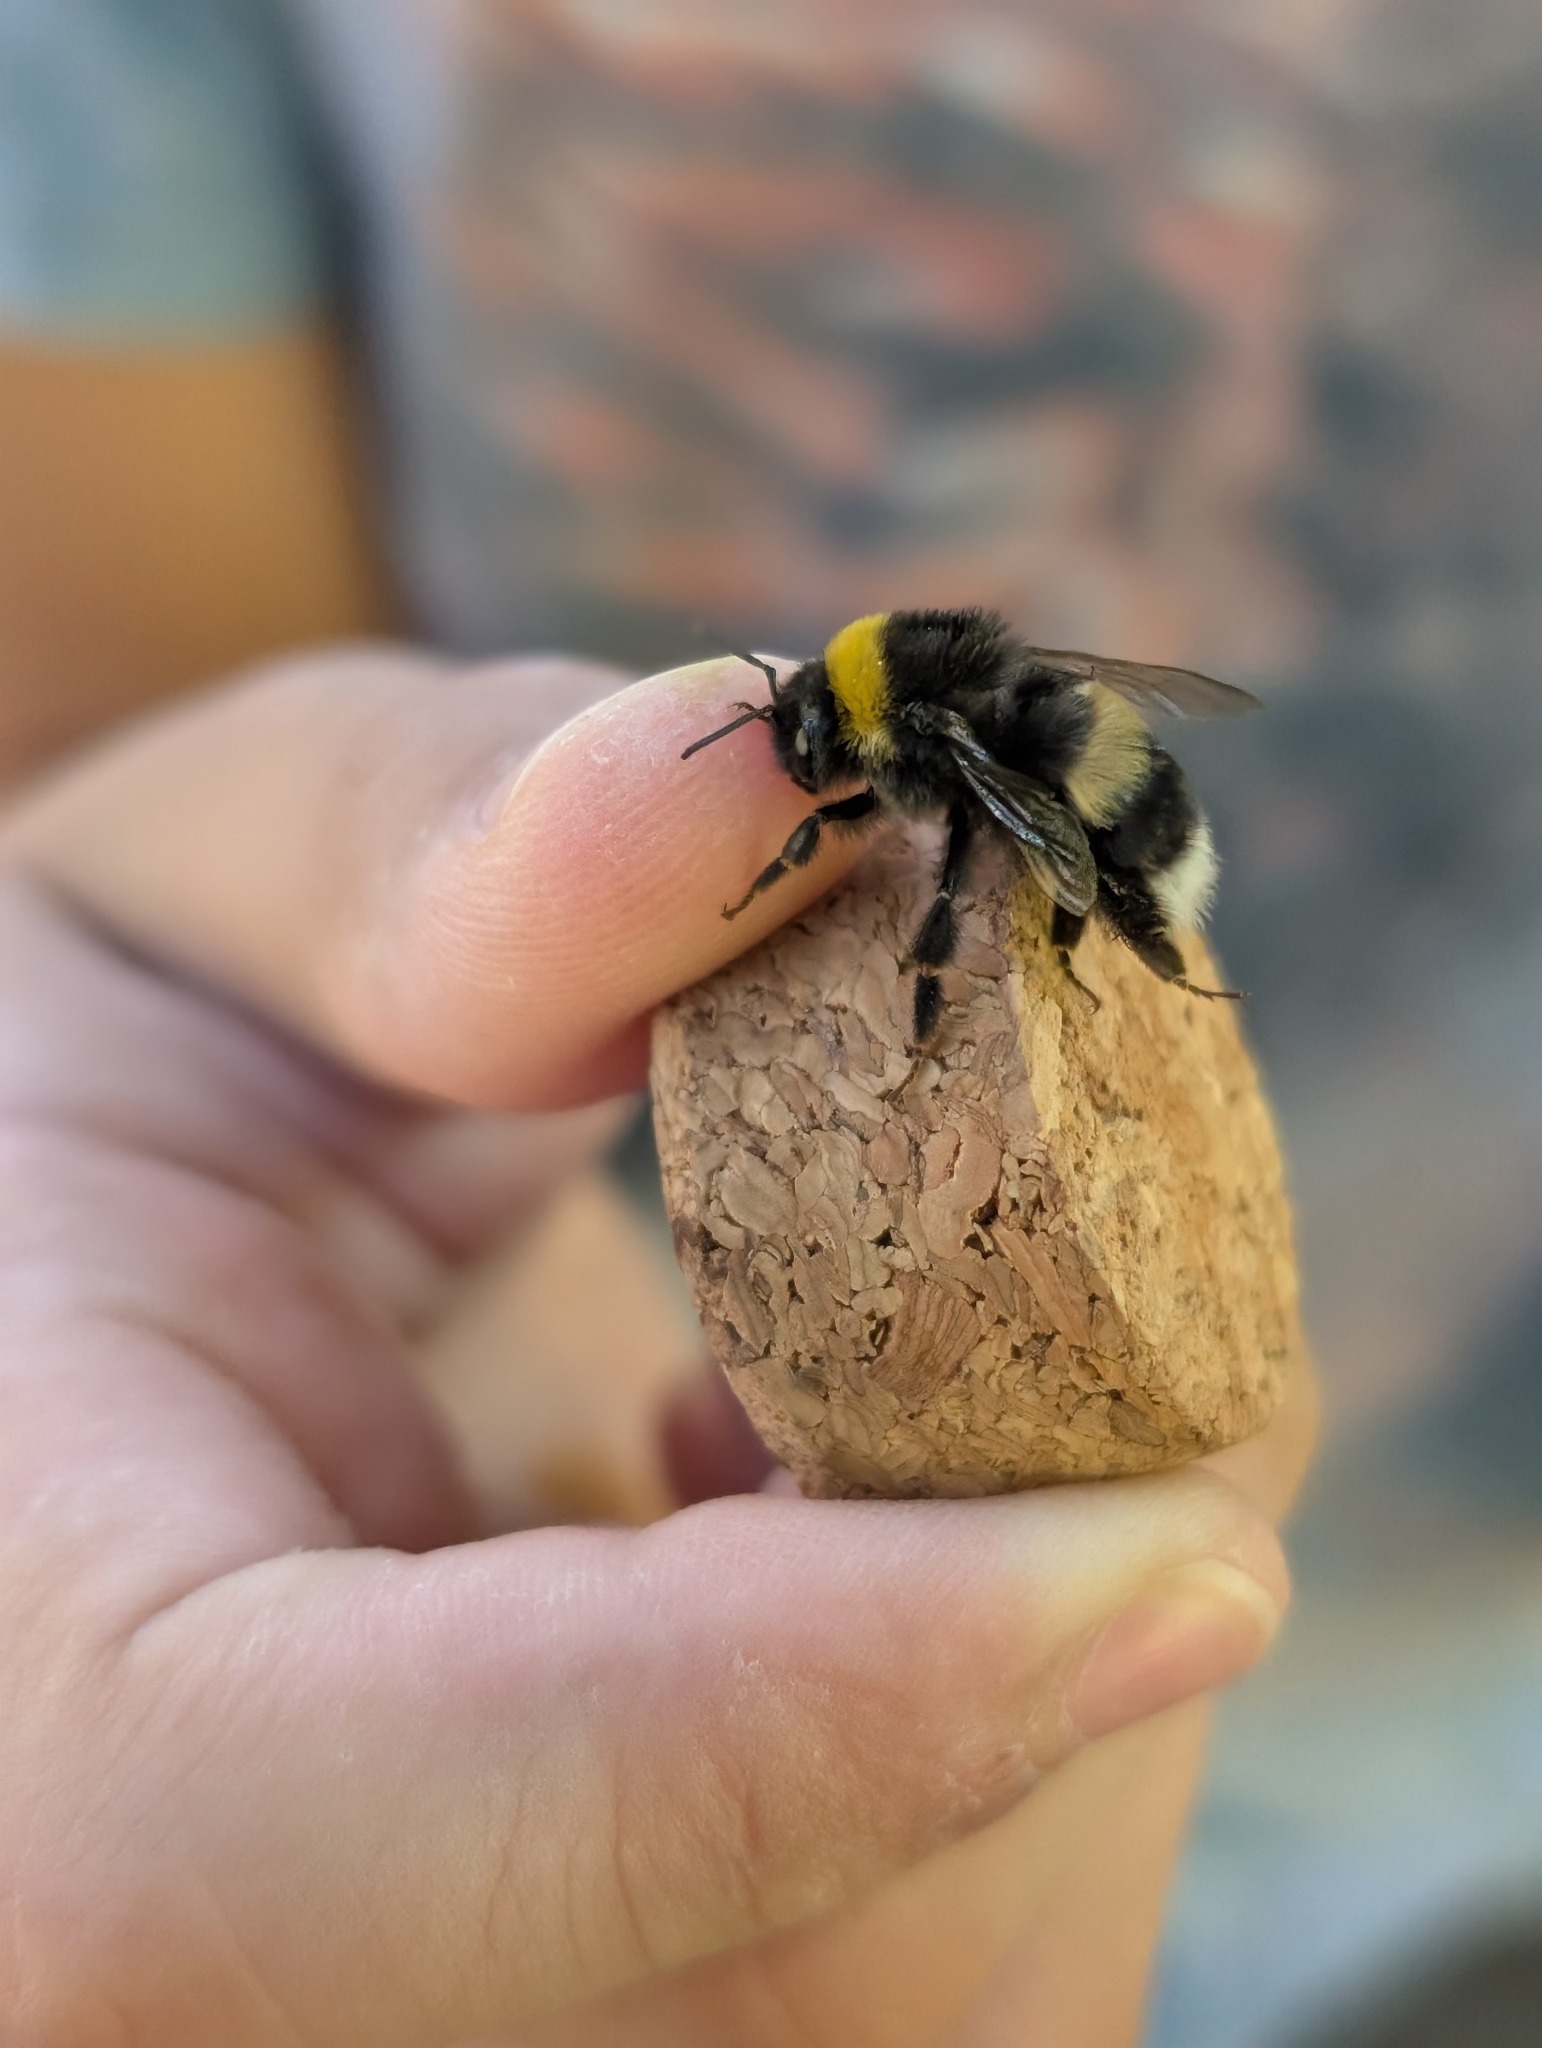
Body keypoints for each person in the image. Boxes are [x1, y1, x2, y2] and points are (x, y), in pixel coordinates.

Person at [0, 5, 1317, 2040]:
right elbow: (85, 713)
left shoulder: (932, 749)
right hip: (660, 1477)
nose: (806, 778)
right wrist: (117, 1005)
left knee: (998, 820)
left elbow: (1002, 804)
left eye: (813, 747)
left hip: (1474, 1804)